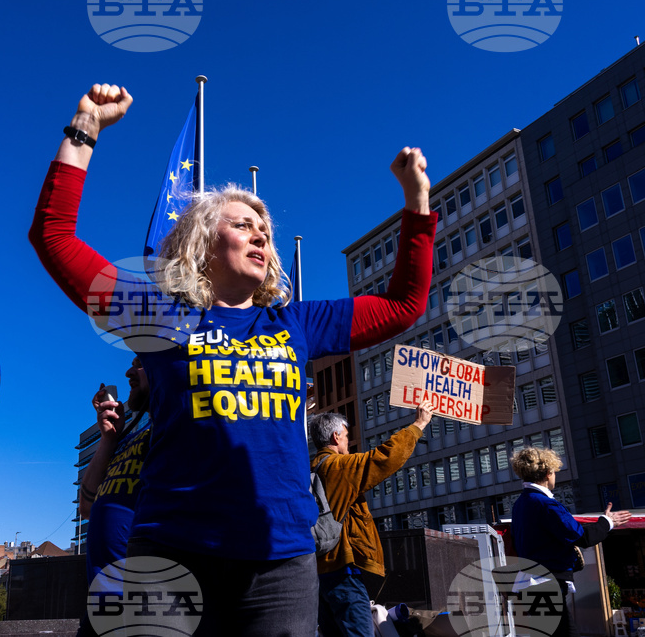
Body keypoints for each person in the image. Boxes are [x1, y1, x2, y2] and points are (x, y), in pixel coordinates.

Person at [29, 83, 437, 635]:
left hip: (279, 562)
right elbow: (54, 238)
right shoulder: (161, 316)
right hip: (171, 555)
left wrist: (417, 206)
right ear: (202, 242)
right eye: (243, 224)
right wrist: (84, 131)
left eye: (264, 230)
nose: (260, 235)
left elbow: (403, 305)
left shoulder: (296, 323)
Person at [309, 406, 433, 637]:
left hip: (317, 571)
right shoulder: (338, 466)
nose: (348, 442)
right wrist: (418, 426)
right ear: (336, 436)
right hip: (342, 569)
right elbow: (383, 458)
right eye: (346, 436)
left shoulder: (311, 468)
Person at [510, 447, 631, 637]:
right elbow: (581, 537)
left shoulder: (521, 504)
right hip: (545, 582)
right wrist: (608, 522)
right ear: (548, 473)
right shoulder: (545, 504)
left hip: (533, 581)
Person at [76, 358, 151, 637]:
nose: (129, 372)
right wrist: (109, 438)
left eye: (141, 364)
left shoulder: (171, 435)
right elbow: (86, 507)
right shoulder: (129, 440)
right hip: (103, 607)